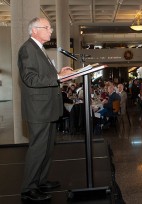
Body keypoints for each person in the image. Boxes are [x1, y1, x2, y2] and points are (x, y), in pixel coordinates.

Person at [18, 17, 74, 201]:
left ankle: (41, 181)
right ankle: (29, 188)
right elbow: (30, 78)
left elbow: (47, 75)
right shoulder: (27, 49)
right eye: (47, 27)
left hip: (48, 107)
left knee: (48, 148)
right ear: (34, 30)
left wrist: (59, 74)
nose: (51, 31)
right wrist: (58, 77)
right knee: (38, 149)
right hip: (38, 109)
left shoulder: (40, 49)